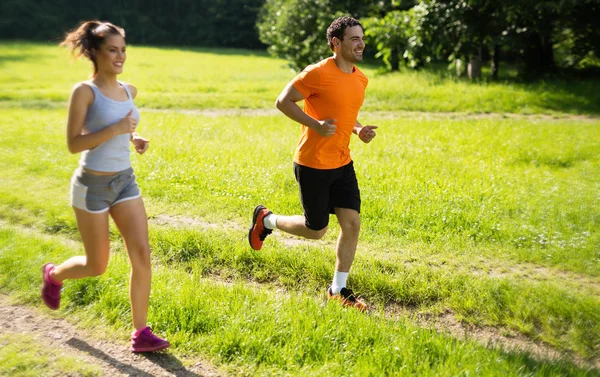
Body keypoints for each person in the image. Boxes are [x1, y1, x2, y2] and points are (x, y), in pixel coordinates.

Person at [40, 20, 170, 353]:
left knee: (141, 254)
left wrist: (132, 137)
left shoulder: (129, 91)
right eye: (112, 50)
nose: (120, 56)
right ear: (94, 52)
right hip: (92, 186)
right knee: (97, 265)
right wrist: (116, 129)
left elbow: (122, 125)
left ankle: (141, 332)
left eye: (123, 49)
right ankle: (54, 275)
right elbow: (74, 143)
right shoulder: (84, 92)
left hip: (124, 181)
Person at [248, 16, 377, 311]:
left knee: (352, 223)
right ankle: (266, 220)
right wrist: (315, 125)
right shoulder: (317, 73)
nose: (361, 43)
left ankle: (338, 289)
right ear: (336, 43)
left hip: (342, 162)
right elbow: (283, 101)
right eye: (354, 39)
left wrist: (358, 130)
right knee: (316, 230)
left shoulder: (360, 78)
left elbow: (343, 111)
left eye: (361, 37)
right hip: (313, 163)